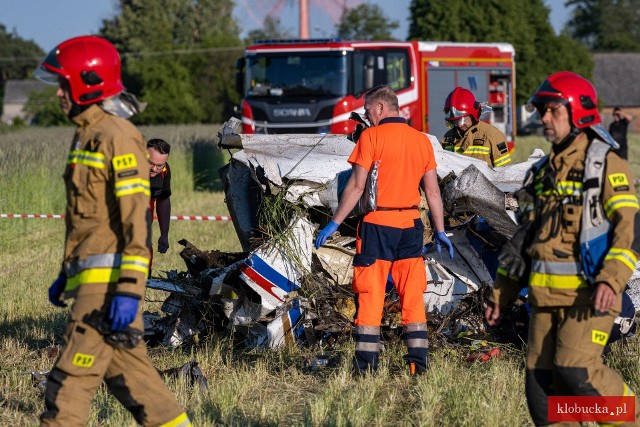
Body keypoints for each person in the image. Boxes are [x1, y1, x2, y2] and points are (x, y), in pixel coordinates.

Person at [35, 36, 191, 427]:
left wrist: (128, 290)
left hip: (107, 292)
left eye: (63, 83)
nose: (58, 93)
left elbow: (135, 221)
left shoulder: (117, 136)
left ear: (87, 83)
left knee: (66, 387)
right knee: (137, 385)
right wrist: (67, 271)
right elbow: (90, 220)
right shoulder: (84, 136)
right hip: (93, 282)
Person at [485, 71, 640, 426]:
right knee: (542, 394)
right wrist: (501, 294)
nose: (544, 119)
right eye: (541, 111)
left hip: (589, 297)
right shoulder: (542, 172)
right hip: (544, 299)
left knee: (576, 371)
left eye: (552, 110)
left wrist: (611, 281)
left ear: (578, 112)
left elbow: (630, 228)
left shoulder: (603, 164)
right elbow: (525, 239)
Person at [314, 85, 453, 376]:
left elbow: (356, 187)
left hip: (378, 226)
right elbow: (433, 193)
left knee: (371, 293)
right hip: (411, 226)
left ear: (380, 108)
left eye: (367, 111)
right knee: (412, 295)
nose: (366, 116)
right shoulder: (422, 141)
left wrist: (334, 222)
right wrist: (439, 230)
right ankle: (418, 365)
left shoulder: (370, 137)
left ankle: (366, 367)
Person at [442, 87, 511, 168]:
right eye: (456, 121)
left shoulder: (492, 136)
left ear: (473, 115)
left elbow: (504, 173)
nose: (460, 124)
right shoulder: (448, 137)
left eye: (464, 120)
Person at [148, 138, 172, 265]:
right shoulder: (129, 169)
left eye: (159, 165)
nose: (154, 169)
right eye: (150, 163)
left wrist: (164, 234)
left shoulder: (165, 171)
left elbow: (163, 200)